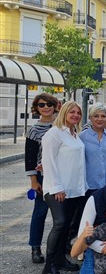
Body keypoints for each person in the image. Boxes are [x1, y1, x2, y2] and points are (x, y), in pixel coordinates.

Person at [40, 101, 87, 274]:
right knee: (59, 224)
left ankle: (60, 259)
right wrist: (57, 187)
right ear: (64, 113)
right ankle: (48, 267)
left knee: (67, 225)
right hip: (57, 189)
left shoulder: (74, 134)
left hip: (73, 190)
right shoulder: (54, 133)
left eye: (78, 113)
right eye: (72, 112)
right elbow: (48, 162)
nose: (75, 115)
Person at [24, 93, 57, 264]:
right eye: (42, 105)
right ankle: (35, 247)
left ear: (54, 106)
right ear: (36, 108)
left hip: (61, 175)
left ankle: (60, 246)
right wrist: (34, 181)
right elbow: (30, 157)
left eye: (49, 104)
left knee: (61, 215)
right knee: (40, 212)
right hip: (43, 177)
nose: (46, 107)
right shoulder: (34, 129)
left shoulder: (61, 124)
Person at [80, 103, 106, 195]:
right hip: (89, 185)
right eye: (96, 116)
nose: (100, 119)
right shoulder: (82, 137)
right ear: (90, 118)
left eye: (103, 116)